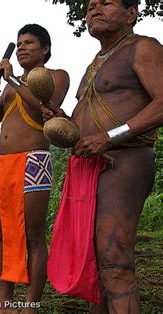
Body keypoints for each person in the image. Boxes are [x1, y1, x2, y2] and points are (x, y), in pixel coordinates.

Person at [43, 1, 162, 312]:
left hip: (125, 159)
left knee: (114, 261)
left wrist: (110, 137)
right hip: (89, 164)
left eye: (106, 3)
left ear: (131, 13)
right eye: (91, 5)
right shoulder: (95, 62)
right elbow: (93, 122)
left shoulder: (143, 47)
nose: (94, 9)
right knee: (94, 261)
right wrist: (63, 118)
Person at [0, 24, 69, 312]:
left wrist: (14, 82)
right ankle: (5, 300)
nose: (21, 48)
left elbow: (44, 110)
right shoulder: (11, 84)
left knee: (33, 234)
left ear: (45, 48)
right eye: (19, 43)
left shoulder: (55, 76)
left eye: (29, 43)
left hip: (34, 159)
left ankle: (31, 303)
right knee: (2, 234)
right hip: (4, 163)